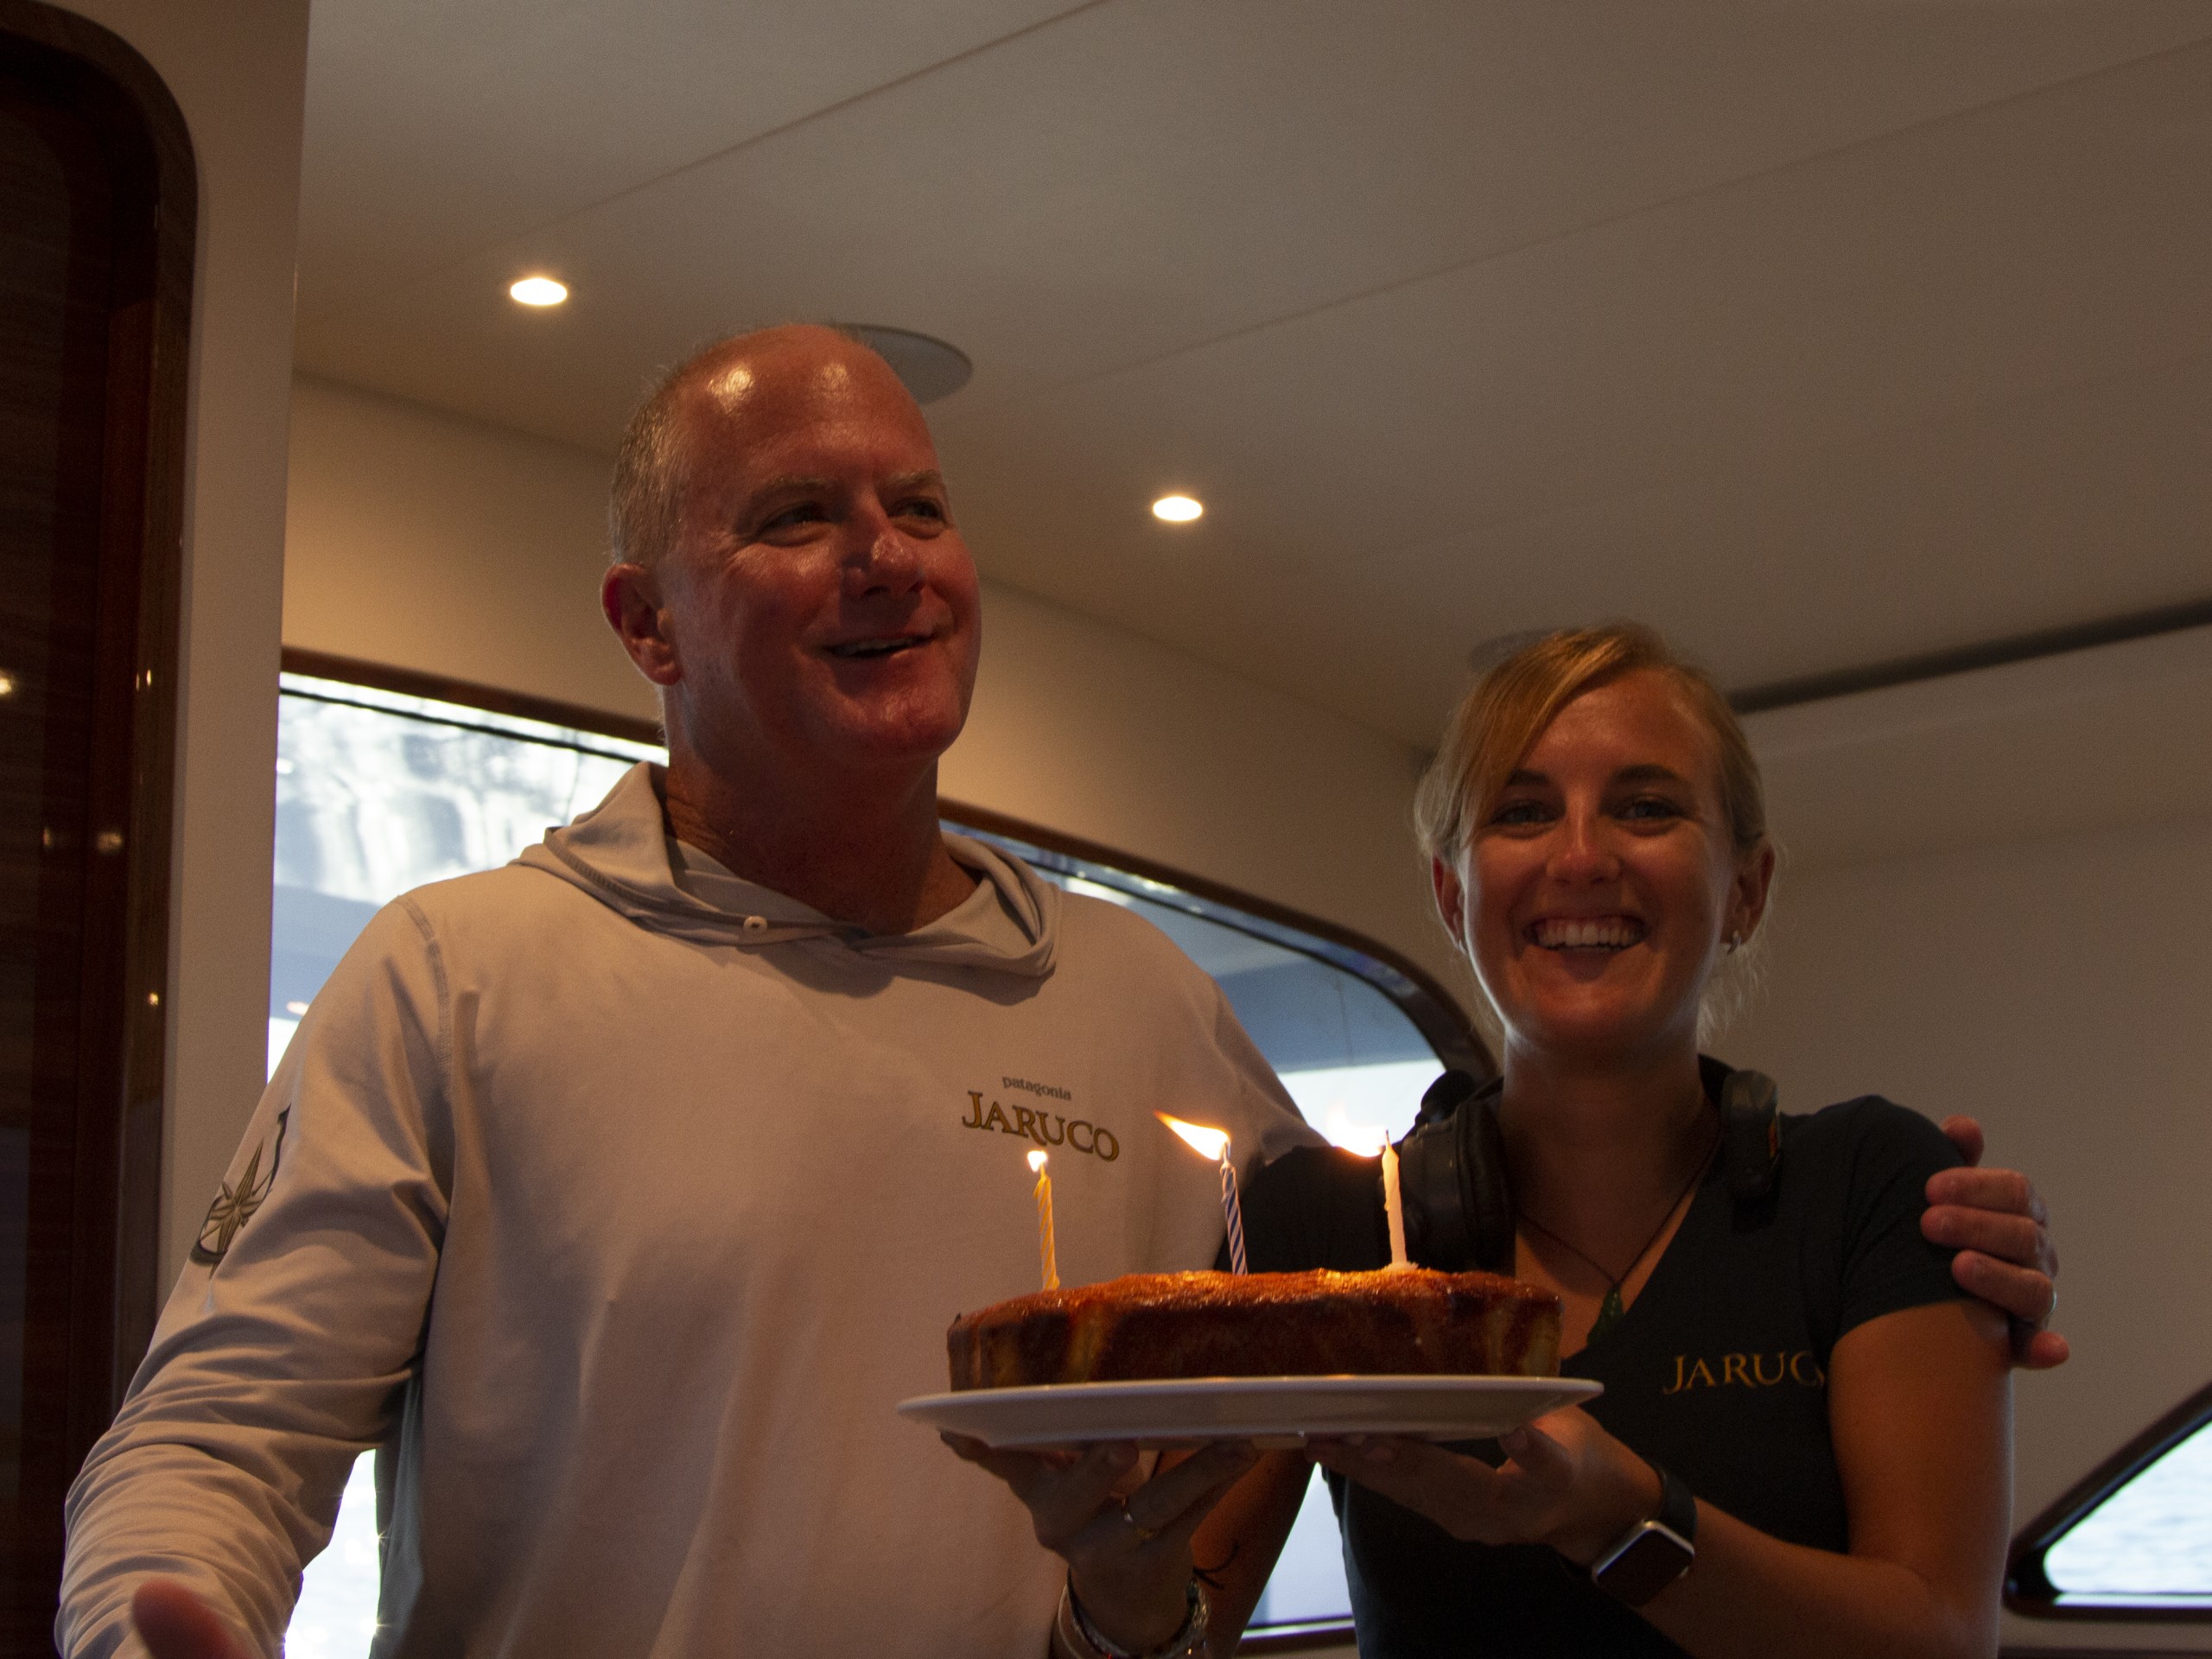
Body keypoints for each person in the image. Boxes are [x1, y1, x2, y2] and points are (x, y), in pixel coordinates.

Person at [58, 337, 2056, 1659]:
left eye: (918, 508)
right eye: (793, 516)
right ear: (643, 621)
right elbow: (216, 1438)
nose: (882, 558)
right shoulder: (459, 973)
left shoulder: (1135, 1005)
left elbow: (1342, 1346)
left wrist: (1938, 1242)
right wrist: (159, 1613)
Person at [957, 624, 2046, 1658]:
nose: (1579, 857)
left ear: (1744, 892)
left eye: (1647, 807)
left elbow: (1940, 1637)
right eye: (1521, 814)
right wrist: (1124, 1599)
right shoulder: (1328, 1227)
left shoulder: (1866, 1190)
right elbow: (1179, 1624)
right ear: (1451, 892)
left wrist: (1621, 1525)